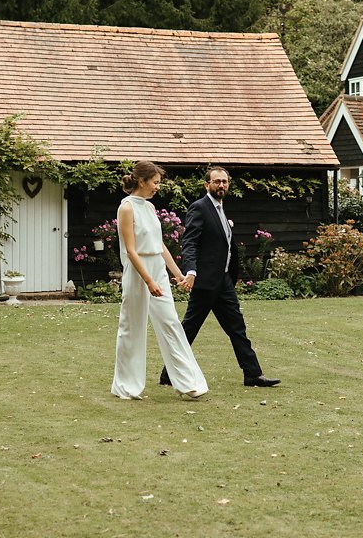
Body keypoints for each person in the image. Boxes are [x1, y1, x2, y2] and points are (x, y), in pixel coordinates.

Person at [161, 165, 280, 388]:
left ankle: (252, 374)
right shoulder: (200, 207)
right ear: (207, 184)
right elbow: (190, 243)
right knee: (188, 329)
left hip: (224, 282)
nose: (221, 185)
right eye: (217, 182)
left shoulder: (221, 208)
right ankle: (169, 373)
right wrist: (191, 271)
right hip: (205, 282)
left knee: (237, 328)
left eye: (224, 181)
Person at [110, 161, 209, 401]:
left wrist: (177, 273)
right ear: (142, 181)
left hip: (158, 270)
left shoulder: (151, 208)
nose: (157, 187)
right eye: (155, 182)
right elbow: (131, 251)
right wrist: (148, 280)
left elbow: (160, 245)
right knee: (132, 327)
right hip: (138, 272)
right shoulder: (126, 208)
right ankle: (126, 386)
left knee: (171, 323)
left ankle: (188, 383)